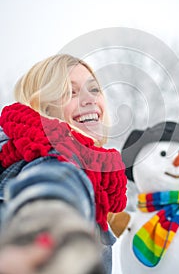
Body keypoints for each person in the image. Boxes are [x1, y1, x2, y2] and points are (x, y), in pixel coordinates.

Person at [0, 54, 127, 274]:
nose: (90, 100)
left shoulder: (86, 165)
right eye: (70, 92)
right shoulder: (56, 153)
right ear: (44, 109)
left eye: (94, 89)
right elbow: (55, 182)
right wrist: (53, 229)